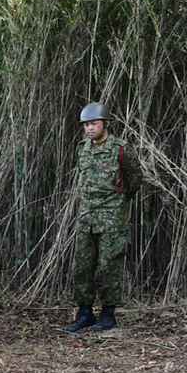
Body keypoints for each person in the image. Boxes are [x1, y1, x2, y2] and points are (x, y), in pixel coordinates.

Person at [64, 102, 142, 334]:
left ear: (104, 124)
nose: (89, 128)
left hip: (112, 218)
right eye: (86, 125)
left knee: (109, 265)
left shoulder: (120, 148)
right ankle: (85, 313)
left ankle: (108, 315)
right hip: (86, 216)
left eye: (93, 124)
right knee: (83, 266)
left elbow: (135, 178)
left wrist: (119, 201)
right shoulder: (82, 148)